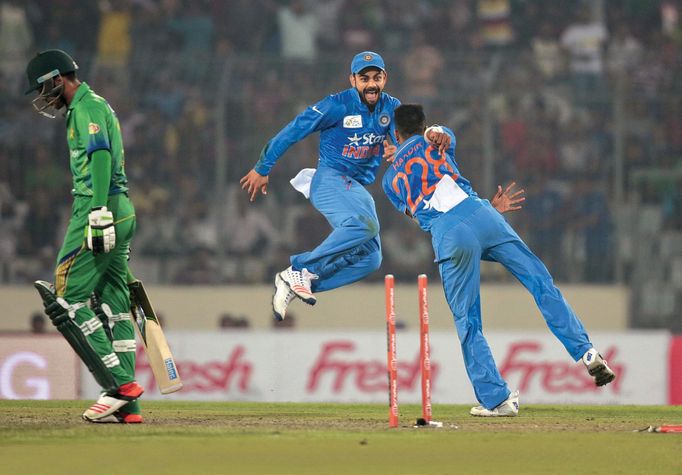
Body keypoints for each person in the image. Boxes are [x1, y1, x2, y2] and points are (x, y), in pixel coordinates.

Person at [381, 104, 616, 417]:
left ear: (395, 134)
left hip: (450, 232)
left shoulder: (388, 180)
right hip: (484, 215)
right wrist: (432, 134)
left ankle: (498, 399)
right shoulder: (436, 137)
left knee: (467, 319)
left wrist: (405, 151)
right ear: (423, 125)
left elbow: (419, 209)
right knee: (540, 281)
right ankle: (586, 351)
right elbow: (442, 136)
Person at [240, 51, 451, 321]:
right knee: (366, 225)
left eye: (376, 77)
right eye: (364, 78)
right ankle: (299, 269)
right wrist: (263, 167)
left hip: (356, 189)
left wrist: (420, 140)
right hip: (329, 180)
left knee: (371, 258)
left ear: (385, 78)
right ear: (353, 80)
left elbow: (411, 139)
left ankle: (297, 283)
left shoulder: (391, 107)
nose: (371, 84)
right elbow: (294, 130)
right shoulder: (335, 105)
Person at [25, 49, 143, 423]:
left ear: (59, 78)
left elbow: (101, 156)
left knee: (68, 299)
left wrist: (96, 210)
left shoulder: (86, 108)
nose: (43, 97)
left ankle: (119, 387)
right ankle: (130, 409)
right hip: (121, 210)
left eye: (44, 87)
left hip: (97, 207)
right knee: (115, 304)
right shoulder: (95, 104)